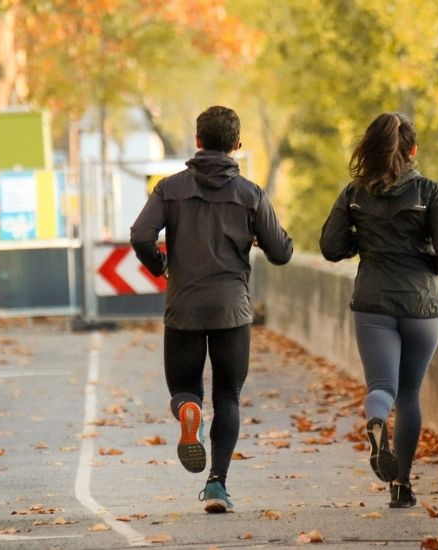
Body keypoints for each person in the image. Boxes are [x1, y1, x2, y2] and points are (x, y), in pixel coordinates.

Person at [130, 106, 293, 513]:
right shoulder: (250, 194)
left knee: (185, 389)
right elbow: (281, 252)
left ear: (198, 140)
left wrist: (162, 266)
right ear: (237, 146)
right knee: (229, 397)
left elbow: (140, 235)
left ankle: (188, 411)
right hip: (232, 311)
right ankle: (217, 485)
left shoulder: (170, 188)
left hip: (184, 305)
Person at [320, 112, 438, 508]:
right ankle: (401, 485)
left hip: (373, 303)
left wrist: (363, 246)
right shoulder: (431, 192)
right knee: (411, 394)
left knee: (382, 388)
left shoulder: (354, 194)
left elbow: (331, 247)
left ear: (371, 150)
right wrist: (426, 264)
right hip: (421, 305)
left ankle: (376, 418)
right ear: (412, 151)